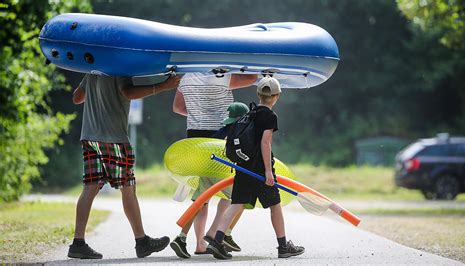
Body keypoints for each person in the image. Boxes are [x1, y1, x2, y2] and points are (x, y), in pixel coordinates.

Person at [68, 74, 181, 259]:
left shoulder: (91, 70)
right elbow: (128, 92)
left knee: (90, 187)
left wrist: (100, 94)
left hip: (89, 136)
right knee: (128, 188)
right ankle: (142, 242)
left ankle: (78, 243)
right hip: (113, 138)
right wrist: (163, 86)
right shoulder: (118, 66)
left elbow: (77, 98)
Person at [206, 76, 305, 260]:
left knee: (236, 204)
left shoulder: (248, 113)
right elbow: (265, 143)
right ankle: (283, 247)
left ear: (258, 93)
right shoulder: (270, 116)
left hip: (243, 168)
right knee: (275, 206)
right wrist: (268, 171)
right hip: (259, 170)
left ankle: (216, 241)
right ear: (277, 96)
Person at [170, 72, 256, 258]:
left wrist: (198, 111)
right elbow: (252, 78)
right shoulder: (222, 77)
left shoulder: (185, 77)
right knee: (233, 192)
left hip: (194, 139)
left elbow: (177, 107)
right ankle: (217, 234)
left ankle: (200, 242)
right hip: (218, 139)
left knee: (204, 195)